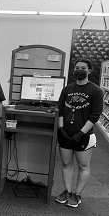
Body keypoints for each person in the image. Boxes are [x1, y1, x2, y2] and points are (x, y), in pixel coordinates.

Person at [56, 58, 103, 208]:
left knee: (83, 166)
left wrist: (80, 134)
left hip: (84, 135)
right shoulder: (67, 89)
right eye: (77, 67)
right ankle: (67, 191)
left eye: (83, 68)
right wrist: (61, 129)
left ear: (89, 71)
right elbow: (61, 110)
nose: (79, 70)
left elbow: (95, 115)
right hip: (66, 133)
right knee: (66, 164)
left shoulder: (95, 91)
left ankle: (77, 194)